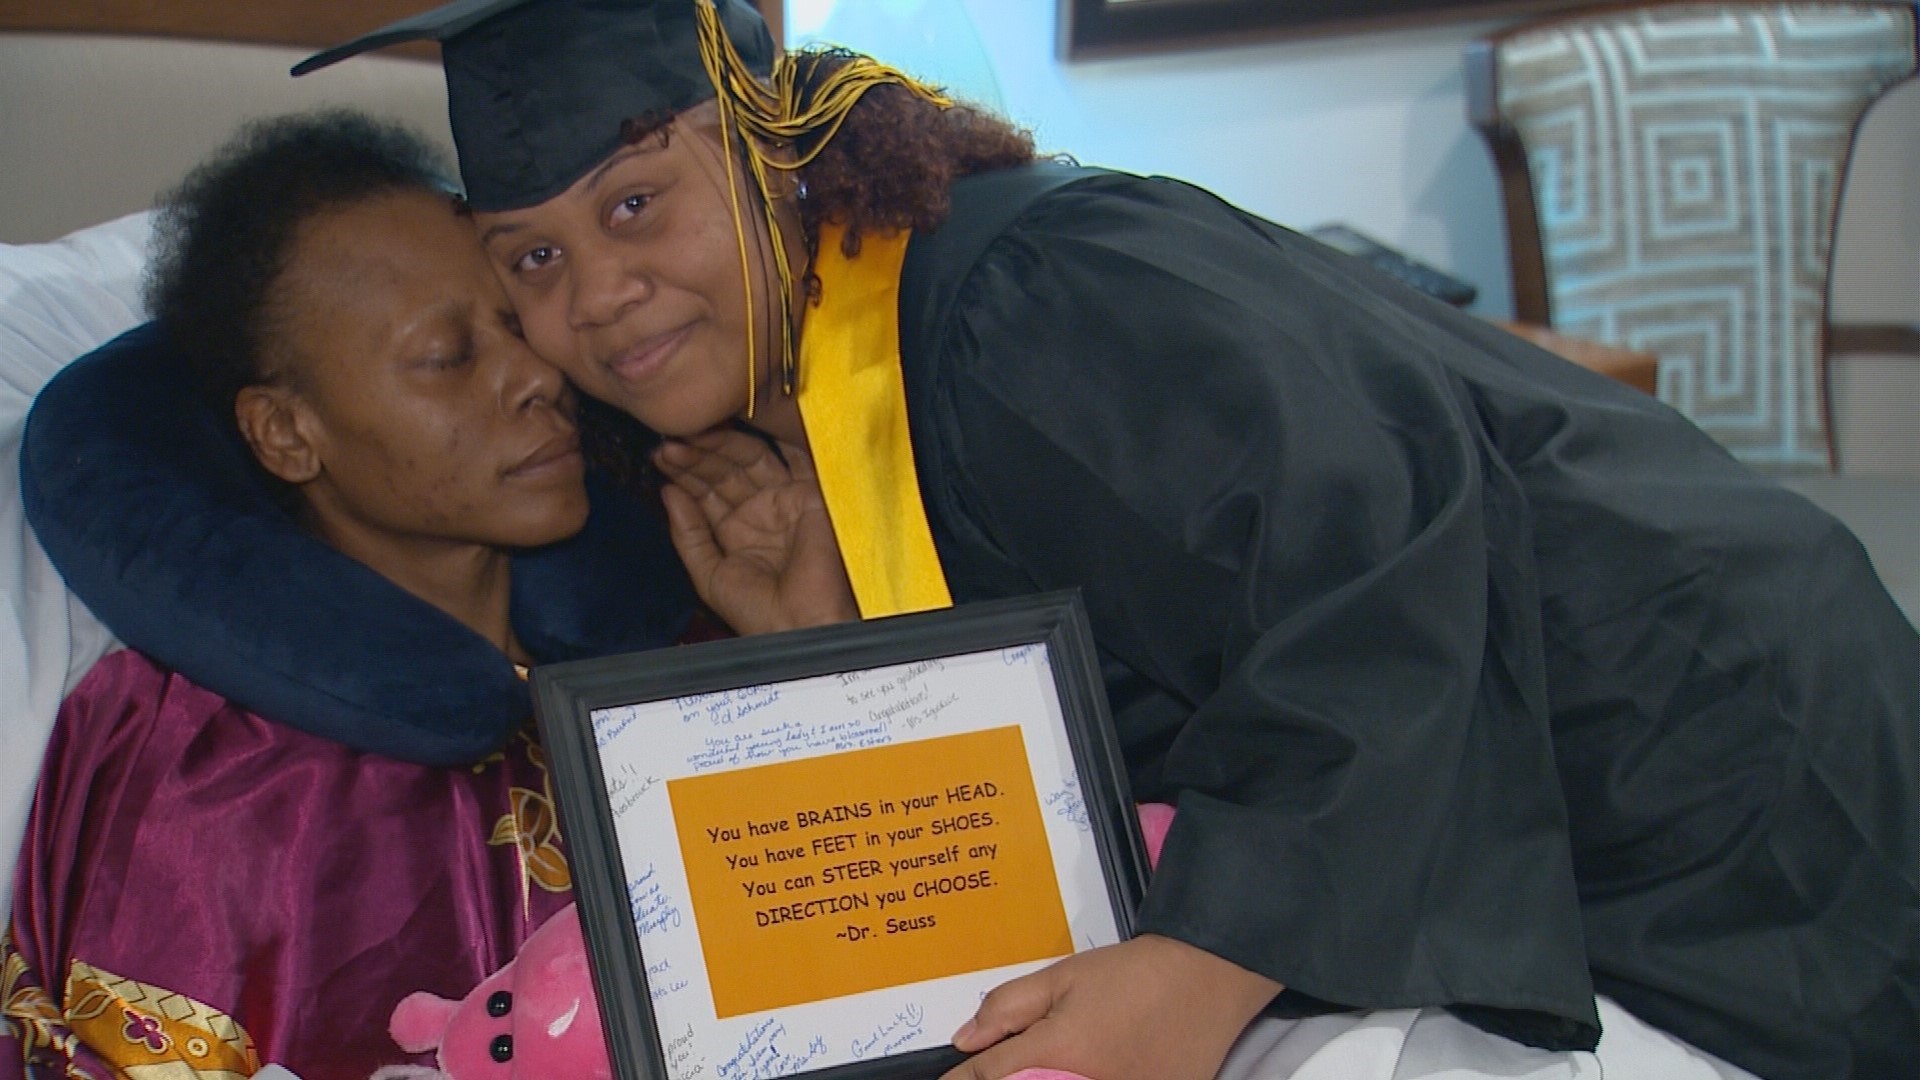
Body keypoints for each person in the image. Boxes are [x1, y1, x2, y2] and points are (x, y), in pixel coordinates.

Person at [298, 5, 1920, 1080]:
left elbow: (1370, 561)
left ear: (763, 143)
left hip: (1692, 737)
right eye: (529, 259)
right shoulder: (839, 371)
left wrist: (1218, 955)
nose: (592, 297)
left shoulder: (1031, 292)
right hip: (1581, 742)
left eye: (636, 206)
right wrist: (822, 622)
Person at [1, 110, 687, 1079]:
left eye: (516, 324)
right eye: (449, 359)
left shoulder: (685, 636)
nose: (535, 377)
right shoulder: (203, 782)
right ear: (286, 433)